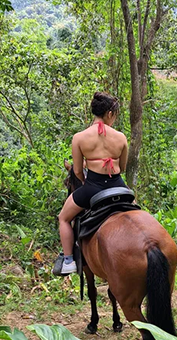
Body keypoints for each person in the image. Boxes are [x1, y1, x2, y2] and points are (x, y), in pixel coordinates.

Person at [54, 92, 128, 275]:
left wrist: (88, 182)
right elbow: (123, 167)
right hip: (119, 186)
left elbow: (78, 171)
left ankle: (69, 260)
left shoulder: (79, 138)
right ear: (110, 114)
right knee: (138, 212)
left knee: (63, 218)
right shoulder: (121, 137)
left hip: (94, 188)